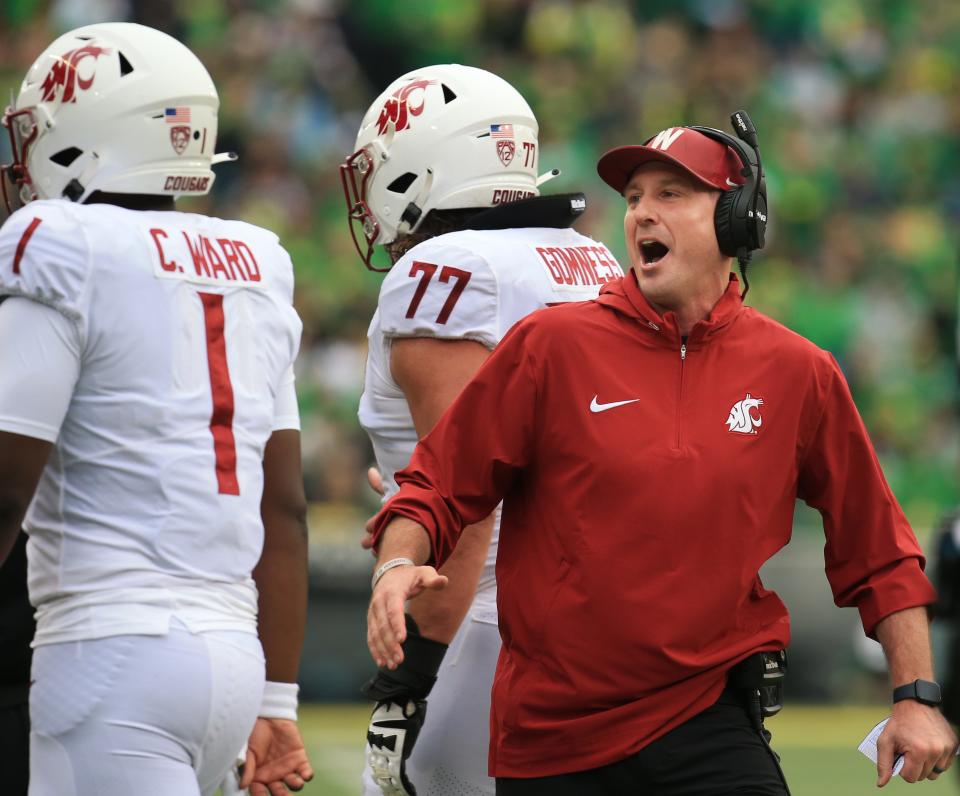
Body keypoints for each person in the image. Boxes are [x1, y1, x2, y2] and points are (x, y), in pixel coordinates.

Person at [364, 112, 959, 795]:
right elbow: (437, 485)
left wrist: (914, 695)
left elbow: (879, 549)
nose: (643, 212)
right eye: (636, 197)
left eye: (671, 194)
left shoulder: (799, 371)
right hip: (553, 740)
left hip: (708, 721)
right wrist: (398, 563)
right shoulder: (550, 346)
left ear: (737, 218)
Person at [0, 22, 313, 796]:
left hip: (108, 647)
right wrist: (277, 696)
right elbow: (287, 506)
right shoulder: (257, 259)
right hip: (233, 653)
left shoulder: (58, 239)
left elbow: (6, 488)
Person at [342, 64, 623, 796]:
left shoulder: (444, 268)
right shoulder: (590, 257)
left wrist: (410, 679)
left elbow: (470, 499)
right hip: (601, 617)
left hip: (490, 618)